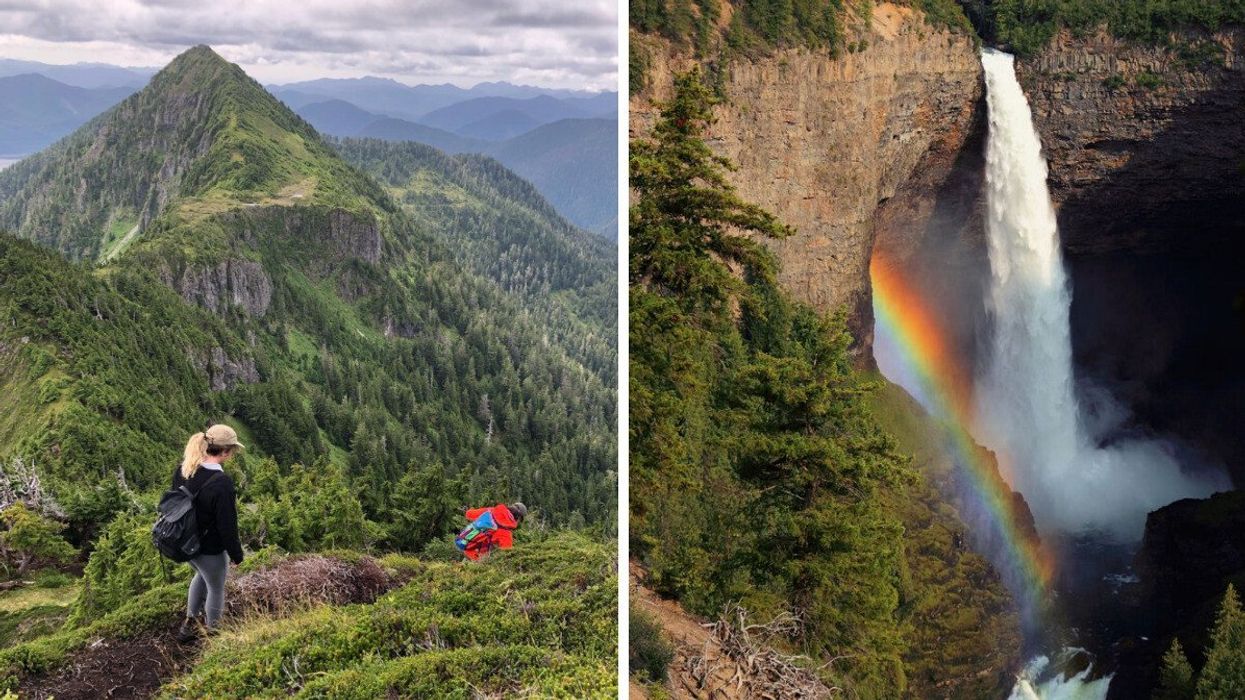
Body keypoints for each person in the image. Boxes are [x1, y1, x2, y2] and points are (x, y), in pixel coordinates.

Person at [173, 424, 245, 643]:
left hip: (186, 543)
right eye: (232, 450)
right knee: (216, 587)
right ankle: (213, 633)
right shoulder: (221, 484)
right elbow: (227, 526)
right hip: (209, 548)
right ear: (224, 452)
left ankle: (189, 623)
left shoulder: (184, 469)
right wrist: (236, 555)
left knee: (201, 576)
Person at [455, 502, 527, 561]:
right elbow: (507, 554)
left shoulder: (492, 510)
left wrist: (469, 510)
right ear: (518, 518)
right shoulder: (506, 532)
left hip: (463, 542)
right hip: (476, 557)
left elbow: (469, 514)